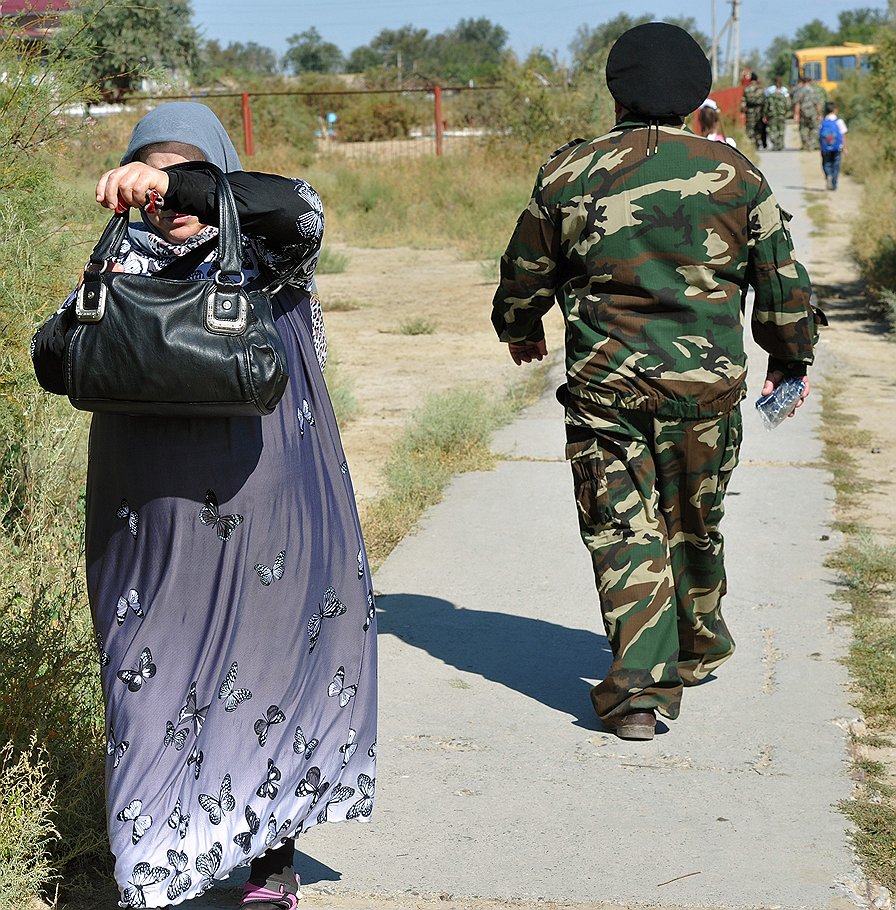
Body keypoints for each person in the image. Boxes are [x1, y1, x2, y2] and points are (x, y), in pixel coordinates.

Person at [31, 103, 377, 909]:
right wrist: (103, 294)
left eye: (190, 174)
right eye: (152, 177)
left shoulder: (271, 250)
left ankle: (271, 859)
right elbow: (54, 362)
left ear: (222, 171)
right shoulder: (126, 264)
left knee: (270, 671)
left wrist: (180, 180)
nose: (171, 199)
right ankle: (151, 871)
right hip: (145, 525)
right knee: (140, 681)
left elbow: (299, 202)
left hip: (272, 518)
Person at [491, 23, 822, 741]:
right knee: (694, 522)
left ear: (615, 90)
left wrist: (519, 327)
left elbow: (523, 274)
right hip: (705, 396)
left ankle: (642, 689)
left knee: (622, 530)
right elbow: (783, 283)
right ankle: (696, 647)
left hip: (606, 393)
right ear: (695, 94)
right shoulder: (737, 175)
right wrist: (790, 357)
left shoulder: (568, 173)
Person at [820, 101, 848, 190]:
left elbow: (820, 136)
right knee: (836, 165)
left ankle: (828, 175)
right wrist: (844, 147)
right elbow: (843, 135)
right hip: (837, 148)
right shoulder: (839, 121)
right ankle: (834, 184)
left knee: (826, 163)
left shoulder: (822, 122)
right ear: (835, 110)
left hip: (825, 147)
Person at [792, 76, 824, 150]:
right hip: (813, 113)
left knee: (803, 128)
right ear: (810, 82)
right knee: (814, 128)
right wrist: (819, 114)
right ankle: (812, 144)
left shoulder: (799, 91)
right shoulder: (815, 91)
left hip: (803, 113)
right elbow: (818, 104)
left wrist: (796, 114)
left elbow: (797, 104)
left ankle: (806, 144)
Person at [762, 76, 791, 150]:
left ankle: (775, 144)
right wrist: (786, 112)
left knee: (772, 130)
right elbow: (788, 104)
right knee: (781, 130)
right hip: (781, 115)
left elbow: (766, 105)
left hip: (772, 115)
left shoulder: (770, 92)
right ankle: (780, 145)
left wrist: (765, 115)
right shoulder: (784, 92)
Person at [740, 71, 765, 149]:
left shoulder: (747, 89)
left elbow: (743, 100)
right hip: (759, 110)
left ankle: (751, 143)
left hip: (750, 110)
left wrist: (742, 109)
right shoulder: (760, 89)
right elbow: (764, 101)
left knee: (750, 127)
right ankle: (758, 143)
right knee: (758, 126)